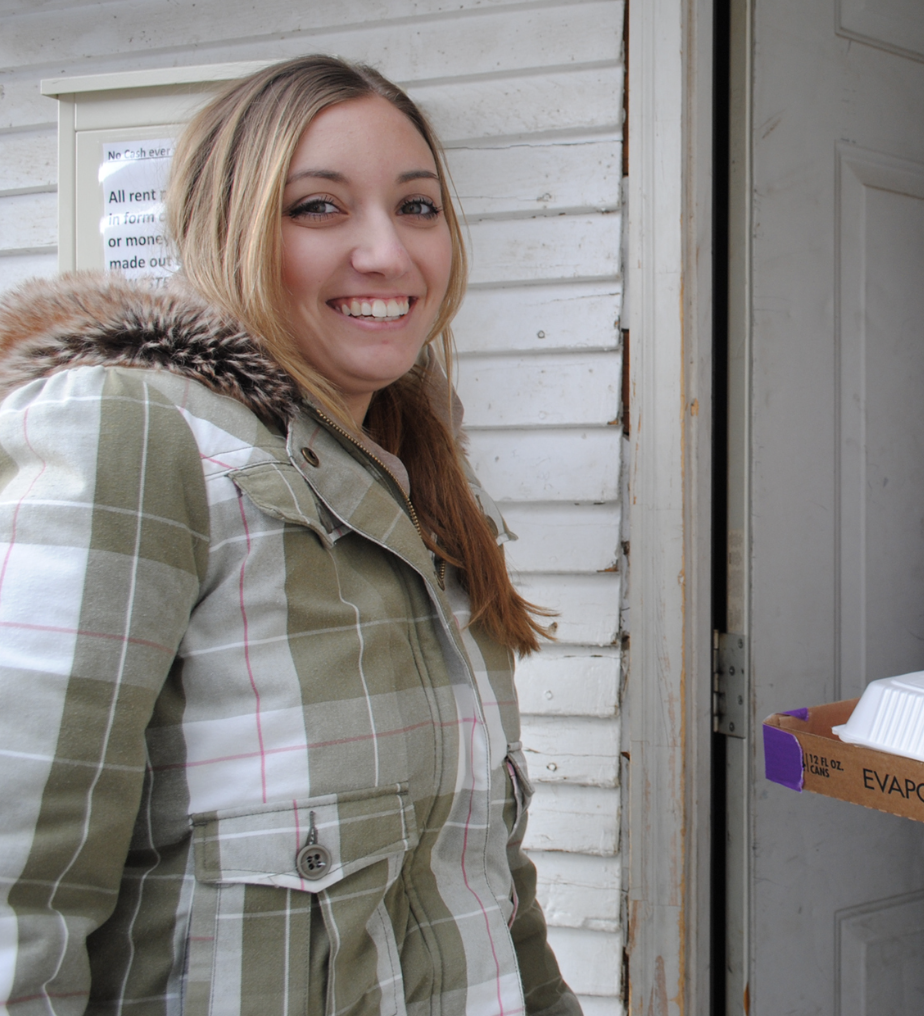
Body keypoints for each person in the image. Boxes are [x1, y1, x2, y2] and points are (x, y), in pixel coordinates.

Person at [0, 56, 581, 1015]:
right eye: (318, 208)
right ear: (223, 227)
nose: (387, 254)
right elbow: (20, 894)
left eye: (418, 207)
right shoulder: (134, 435)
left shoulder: (419, 485)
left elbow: (485, 882)